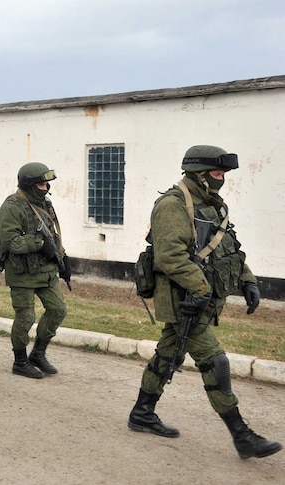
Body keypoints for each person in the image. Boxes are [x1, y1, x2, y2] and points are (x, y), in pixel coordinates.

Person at [127, 145, 281, 460]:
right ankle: (242, 436)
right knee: (216, 363)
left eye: (224, 173)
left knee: (168, 354)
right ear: (199, 173)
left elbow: (230, 249)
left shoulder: (213, 206)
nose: (222, 178)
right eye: (217, 173)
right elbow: (170, 257)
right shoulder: (172, 205)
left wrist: (247, 280)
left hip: (203, 298)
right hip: (184, 299)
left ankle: (142, 412)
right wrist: (199, 288)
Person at [0, 162, 70, 379]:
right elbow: (10, 242)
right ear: (28, 185)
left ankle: (38, 353)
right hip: (22, 273)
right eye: (40, 184)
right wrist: (38, 243)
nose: (46, 188)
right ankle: (20, 361)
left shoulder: (45, 204)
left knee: (58, 310)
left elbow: (53, 234)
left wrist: (63, 259)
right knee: (26, 317)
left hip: (46, 270)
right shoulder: (11, 207)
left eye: (47, 184)